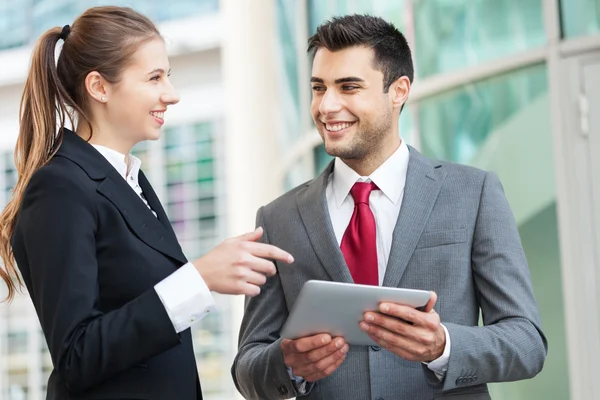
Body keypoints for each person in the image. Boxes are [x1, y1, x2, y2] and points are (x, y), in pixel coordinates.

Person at [232, 14, 547, 400]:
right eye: (319, 88)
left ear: (398, 90)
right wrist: (288, 364)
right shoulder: (278, 218)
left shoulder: (473, 193)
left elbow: (526, 342)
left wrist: (443, 346)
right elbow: (247, 367)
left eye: (348, 86)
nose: (327, 105)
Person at [0, 6, 293, 400]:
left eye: (167, 77)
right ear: (99, 87)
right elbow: (76, 355)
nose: (171, 95)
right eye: (154, 78)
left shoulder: (129, 179)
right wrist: (198, 279)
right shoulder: (60, 187)